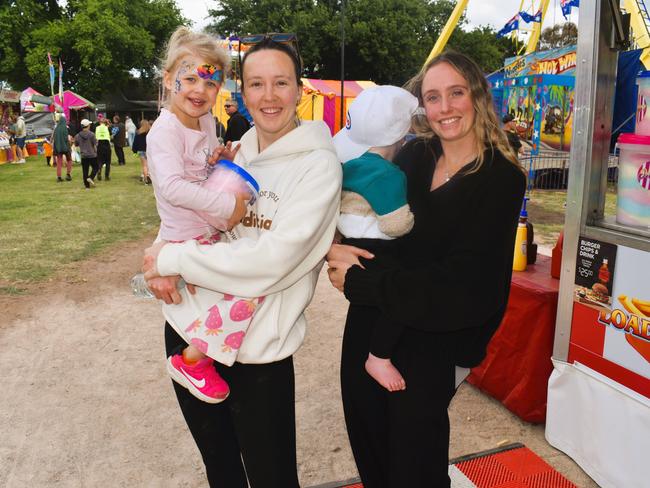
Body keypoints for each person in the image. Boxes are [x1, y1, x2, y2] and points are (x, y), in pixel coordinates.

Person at [142, 33, 341, 487]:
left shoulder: (317, 165)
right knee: (222, 470)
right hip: (186, 327)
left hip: (256, 351)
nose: (268, 96)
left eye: (281, 83)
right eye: (256, 84)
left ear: (300, 88)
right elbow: (185, 206)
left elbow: (271, 261)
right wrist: (160, 256)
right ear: (243, 92)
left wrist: (174, 257)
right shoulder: (239, 147)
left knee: (272, 478)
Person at [326, 51, 527, 487]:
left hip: (433, 338)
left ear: (477, 96)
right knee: (369, 441)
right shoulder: (414, 155)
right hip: (372, 322)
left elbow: (465, 282)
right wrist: (339, 245)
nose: (445, 108)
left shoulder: (501, 178)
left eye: (456, 93)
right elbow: (371, 216)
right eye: (433, 97)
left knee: (415, 460)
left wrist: (362, 280)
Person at [332, 85, 418, 392]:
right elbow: (397, 225)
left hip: (351, 241)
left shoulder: (349, 165)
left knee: (368, 309)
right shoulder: (388, 175)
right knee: (399, 298)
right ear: (400, 137)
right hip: (378, 248)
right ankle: (379, 356)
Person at [74, 118, 99, 189]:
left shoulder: (77, 135)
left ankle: (87, 186)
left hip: (84, 155)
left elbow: (76, 144)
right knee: (96, 167)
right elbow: (95, 144)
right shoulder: (92, 134)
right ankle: (91, 177)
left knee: (85, 171)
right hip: (92, 154)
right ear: (88, 126)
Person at [131, 119, 151, 185]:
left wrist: (134, 150)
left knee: (144, 166)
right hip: (149, 150)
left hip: (141, 151)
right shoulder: (150, 132)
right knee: (149, 165)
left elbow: (135, 143)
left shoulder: (138, 133)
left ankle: (146, 180)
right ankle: (148, 176)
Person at [53, 114, 72, 182]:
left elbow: (54, 138)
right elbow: (69, 138)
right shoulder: (66, 128)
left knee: (59, 162)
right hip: (66, 147)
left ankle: (59, 177)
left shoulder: (56, 129)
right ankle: (68, 175)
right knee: (69, 160)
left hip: (58, 147)